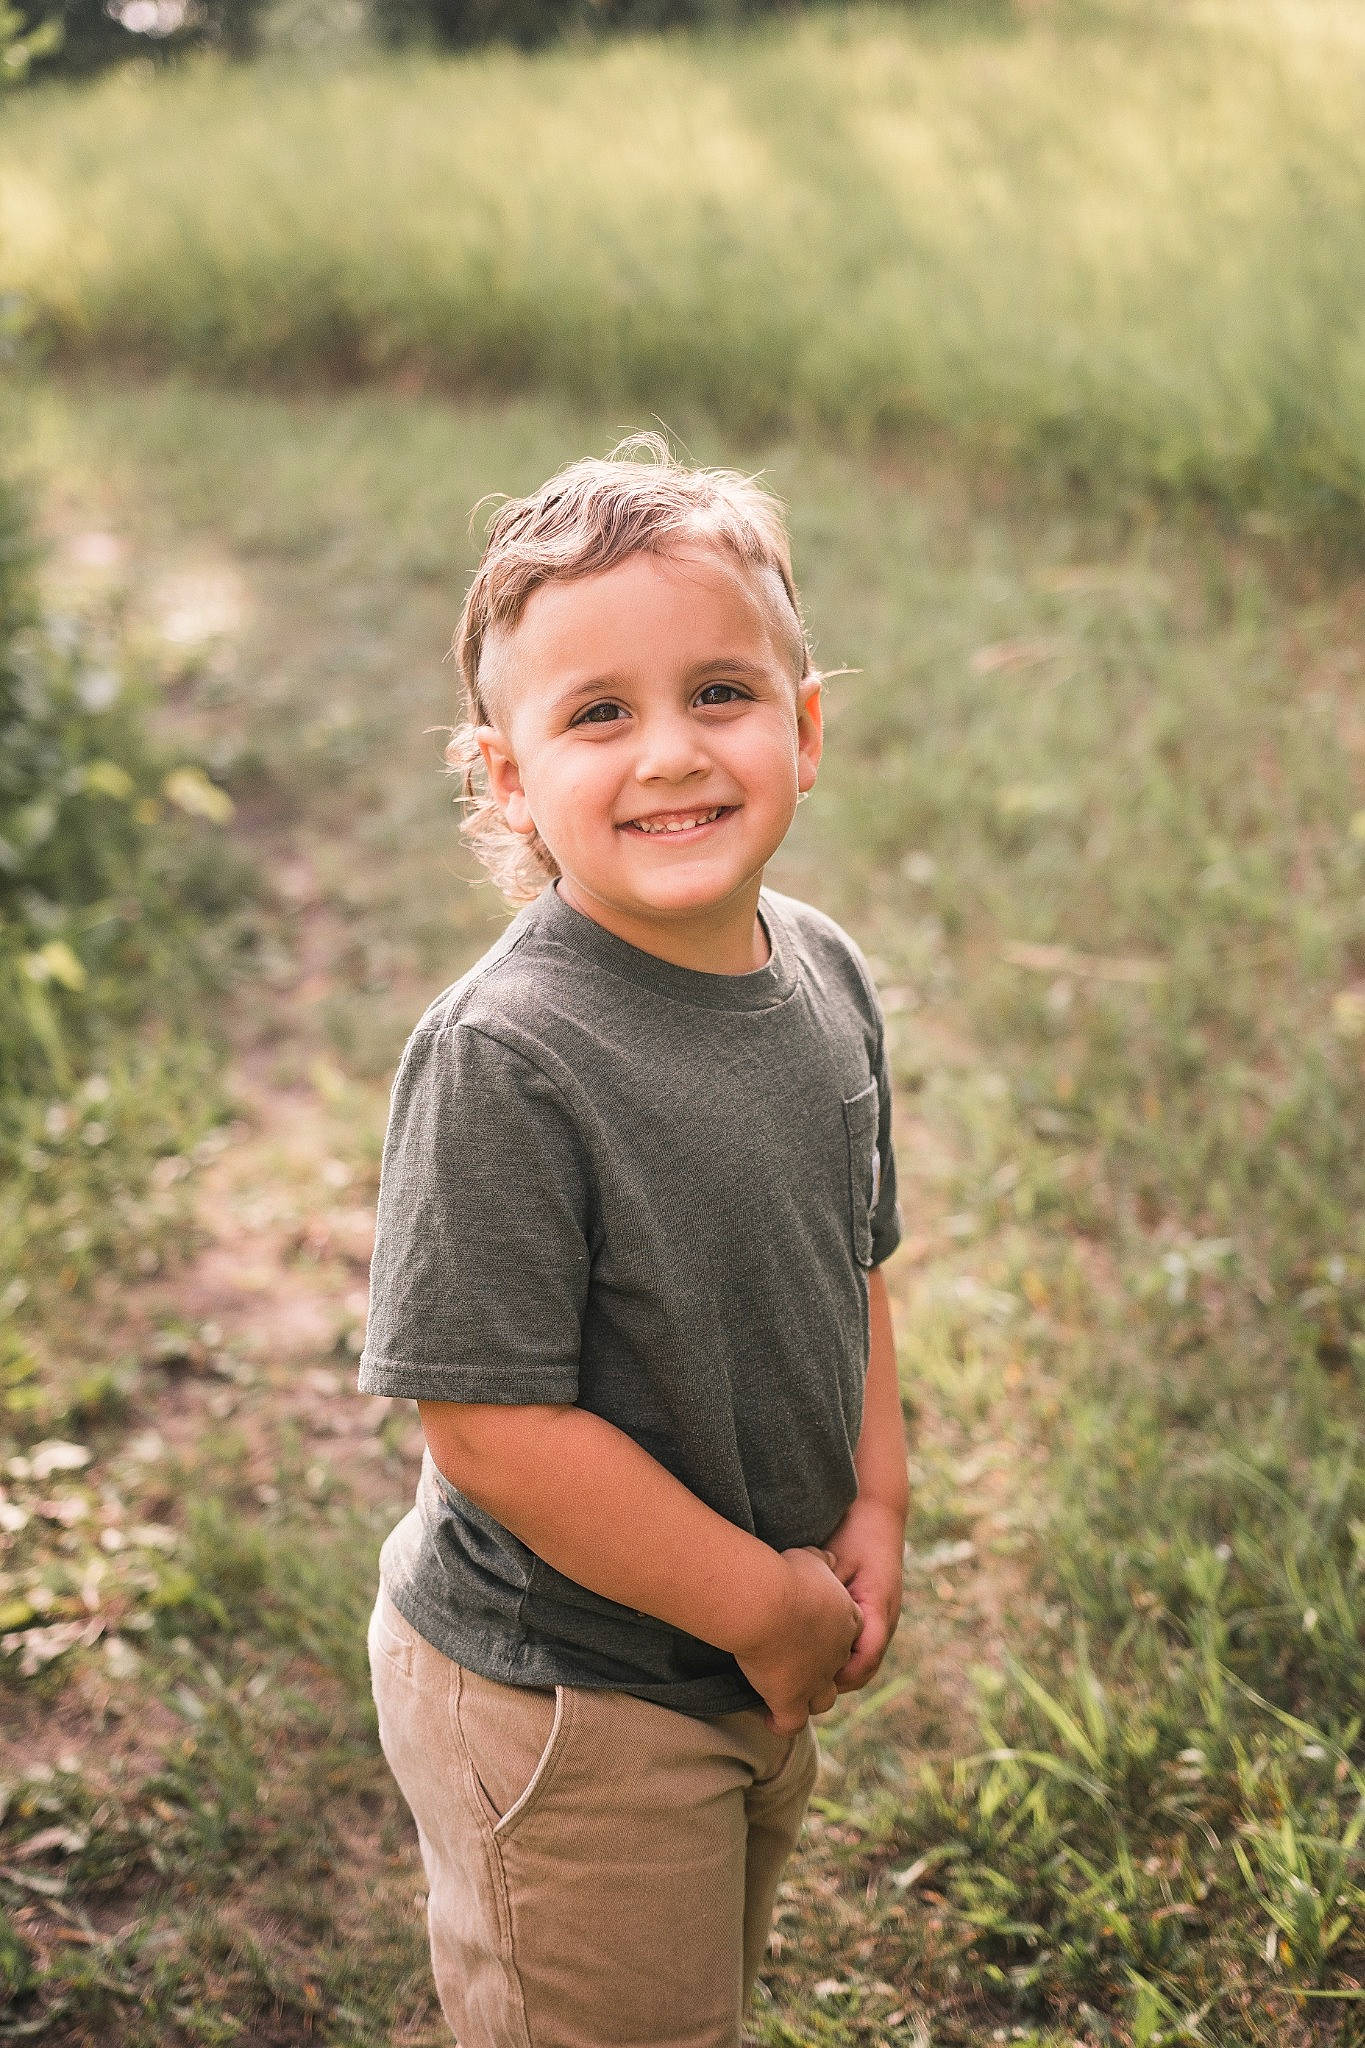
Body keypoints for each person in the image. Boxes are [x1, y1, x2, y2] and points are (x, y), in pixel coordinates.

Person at [358, 436, 908, 2048]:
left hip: (755, 1649)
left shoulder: (820, 973)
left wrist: (872, 1496)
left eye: (721, 693)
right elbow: (492, 1425)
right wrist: (756, 1599)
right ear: (508, 778)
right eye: (599, 713)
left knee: (689, 2001)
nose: (670, 752)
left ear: (805, 732)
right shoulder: (507, 1057)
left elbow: (850, 1259)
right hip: (567, 1695)